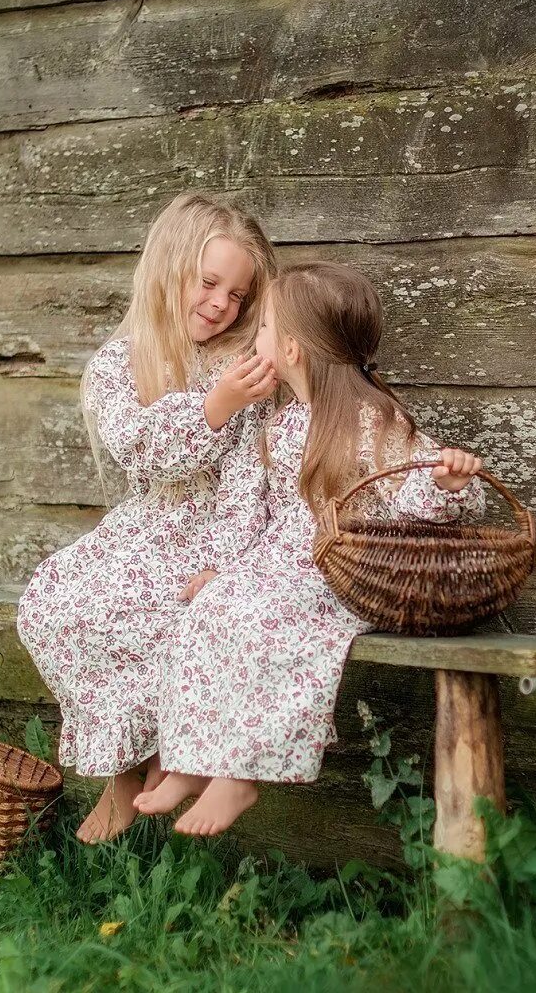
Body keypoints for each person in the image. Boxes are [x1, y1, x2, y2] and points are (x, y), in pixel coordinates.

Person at [138, 260, 488, 835]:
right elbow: (255, 514)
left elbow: (412, 495)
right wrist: (221, 569)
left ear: (293, 349)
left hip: (343, 573)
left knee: (262, 615)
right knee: (208, 609)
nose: (258, 336)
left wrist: (447, 482)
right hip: (280, 567)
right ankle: (189, 759)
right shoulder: (281, 422)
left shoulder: (373, 420)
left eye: (268, 327)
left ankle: (238, 775)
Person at [16, 192, 279, 843]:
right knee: (51, 605)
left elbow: (252, 477)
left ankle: (155, 765)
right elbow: (140, 448)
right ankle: (128, 772)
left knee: (171, 617)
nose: (221, 304)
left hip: (216, 536)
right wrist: (210, 407)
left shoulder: (244, 366)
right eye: (210, 283)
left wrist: (228, 564)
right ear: (168, 270)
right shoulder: (123, 360)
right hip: (147, 528)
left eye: (238, 296)